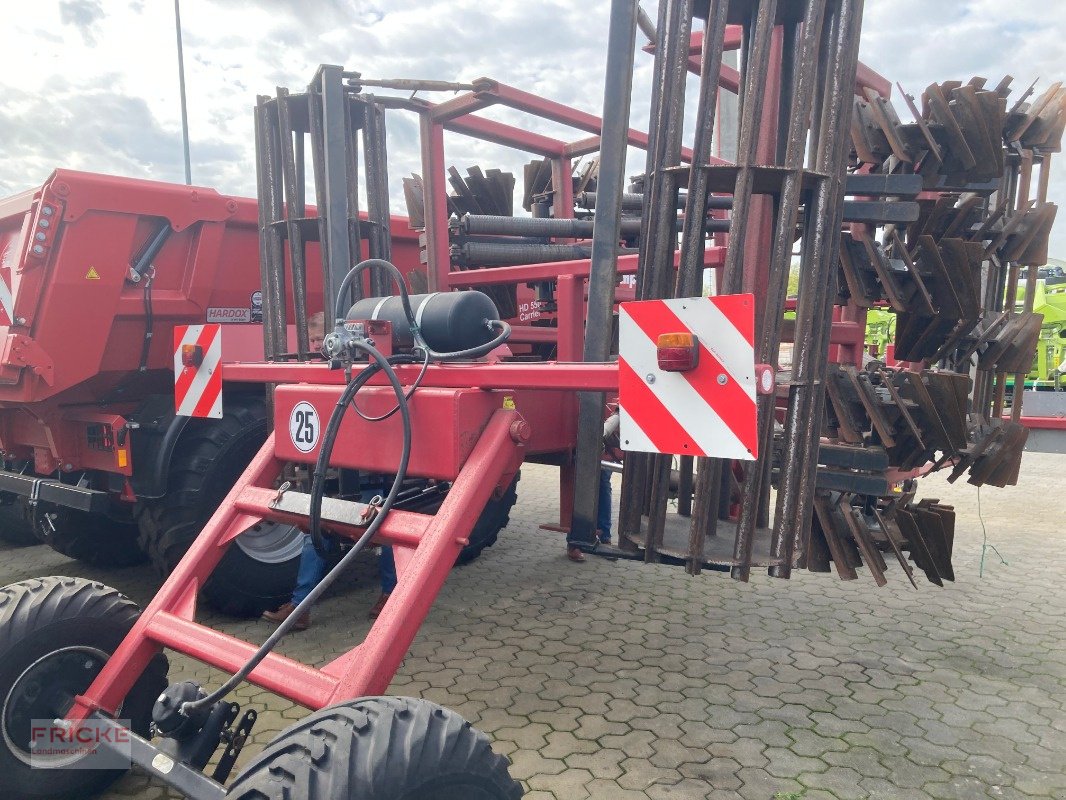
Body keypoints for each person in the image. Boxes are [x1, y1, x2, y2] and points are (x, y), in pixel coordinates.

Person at [262, 311, 395, 630]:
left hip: (370, 468)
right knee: (316, 529)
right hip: (332, 470)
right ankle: (300, 607)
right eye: (316, 341)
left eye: (325, 339)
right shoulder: (315, 372)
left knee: (386, 527)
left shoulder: (367, 369)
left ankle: (391, 594)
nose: (323, 346)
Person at [567, 411, 622, 563]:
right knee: (583, 487)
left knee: (603, 484)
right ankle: (575, 540)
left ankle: (604, 537)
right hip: (583, 418)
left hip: (603, 425)